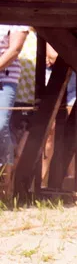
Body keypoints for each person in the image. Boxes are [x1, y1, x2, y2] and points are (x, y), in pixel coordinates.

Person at [0, 21, 28, 164]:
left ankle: (4, 172)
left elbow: (15, 49)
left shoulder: (17, 14)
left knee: (0, 124)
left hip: (5, 77)